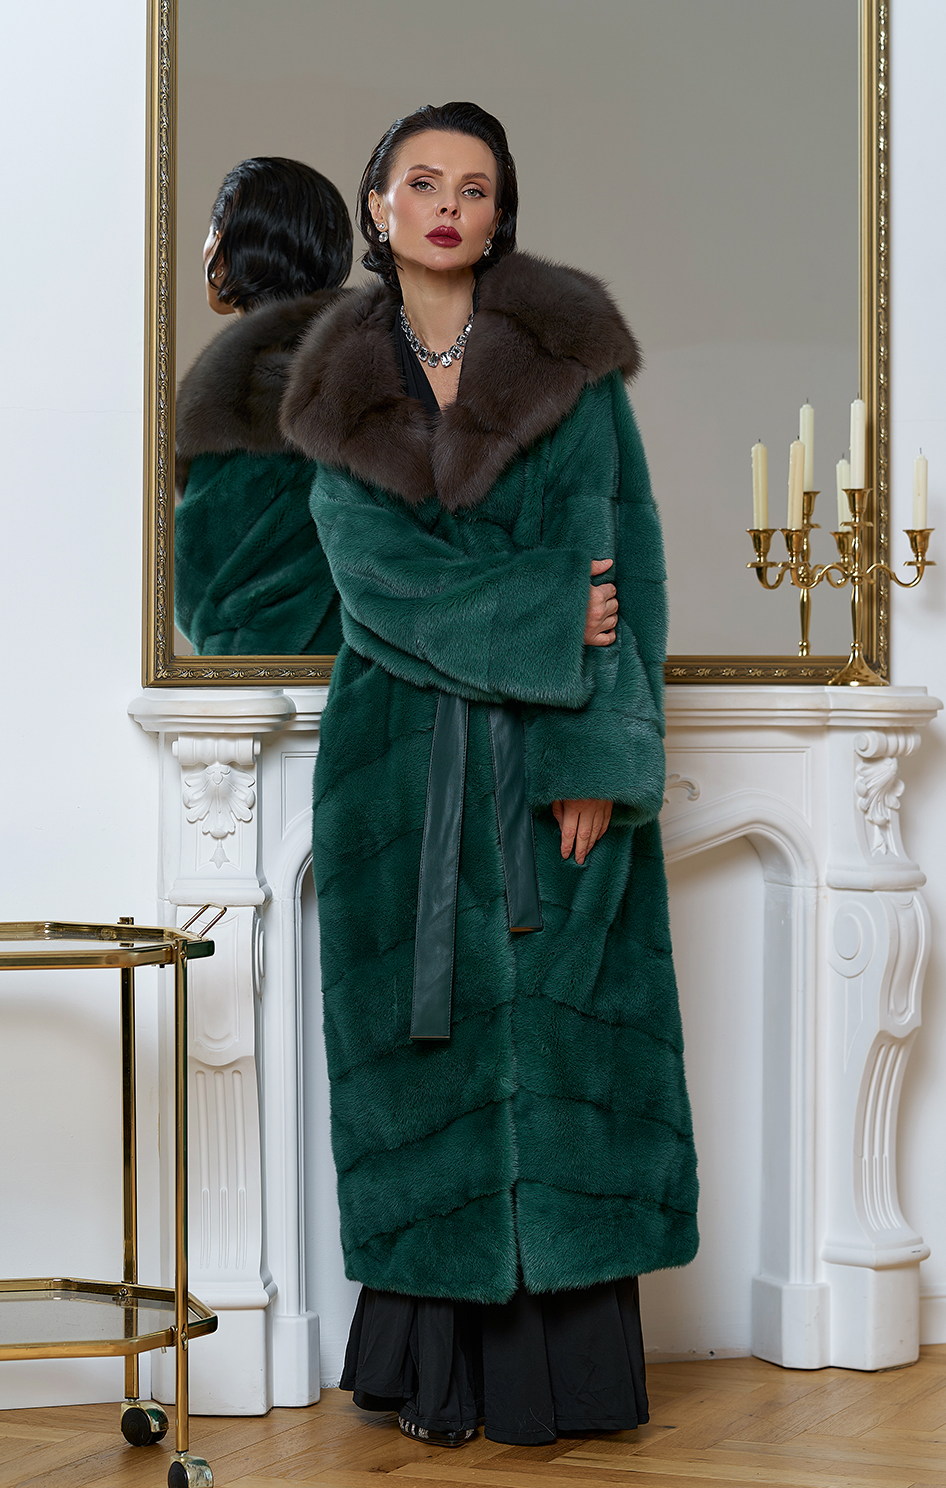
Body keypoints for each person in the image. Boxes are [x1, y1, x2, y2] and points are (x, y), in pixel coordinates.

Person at [282, 103, 699, 1449]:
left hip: (555, 755)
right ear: (379, 205)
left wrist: (594, 759)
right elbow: (375, 585)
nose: (448, 205)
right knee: (422, 1067)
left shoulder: (575, 369)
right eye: (422, 182)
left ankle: (563, 1377)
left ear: (499, 210)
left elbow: (627, 579)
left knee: (565, 1043)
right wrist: (545, 609)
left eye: (473, 186)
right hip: (397, 772)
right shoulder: (336, 381)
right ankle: (431, 1372)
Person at [174, 156, 352, 655]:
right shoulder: (374, 365)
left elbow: (199, 578)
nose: (208, 245)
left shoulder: (242, 393)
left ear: (235, 246)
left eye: (216, 226)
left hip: (267, 678)